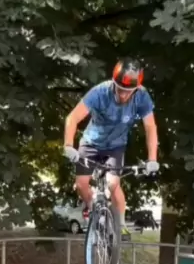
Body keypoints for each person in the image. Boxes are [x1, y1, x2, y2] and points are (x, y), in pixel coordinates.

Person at [63, 58, 159, 236]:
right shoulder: (99, 92)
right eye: (120, 89)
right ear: (114, 83)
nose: (123, 95)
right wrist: (68, 145)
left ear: (136, 88)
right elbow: (72, 118)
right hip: (91, 142)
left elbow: (150, 127)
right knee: (81, 184)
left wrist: (152, 159)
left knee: (113, 184)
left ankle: (119, 225)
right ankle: (92, 207)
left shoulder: (142, 96)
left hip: (116, 146)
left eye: (128, 91)